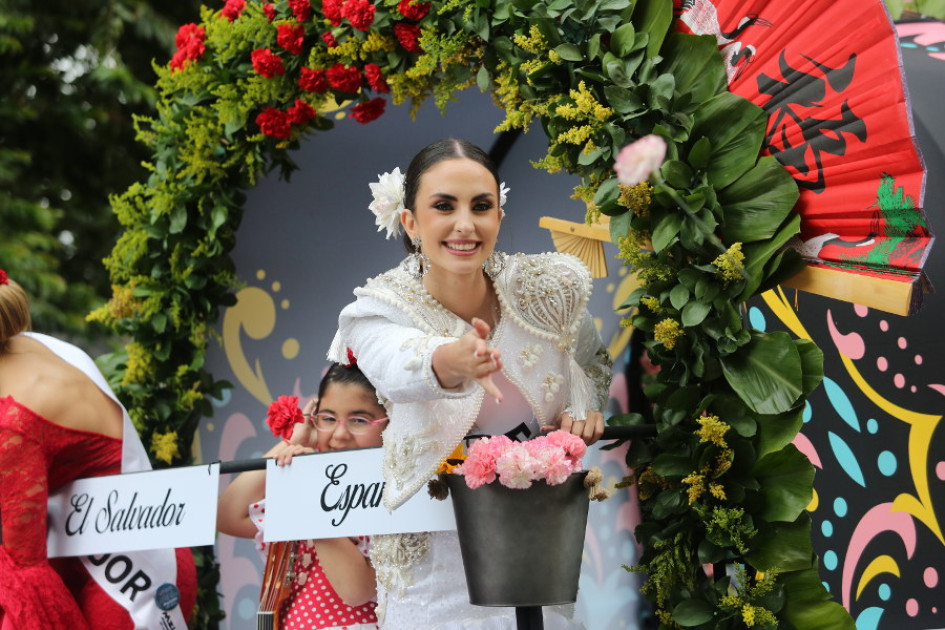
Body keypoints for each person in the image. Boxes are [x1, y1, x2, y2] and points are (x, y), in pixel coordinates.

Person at [328, 138, 613, 629]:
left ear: (499, 217)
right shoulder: (377, 307)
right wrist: (448, 360)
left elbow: (588, 365)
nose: (465, 224)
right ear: (410, 222)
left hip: (535, 545)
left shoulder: (548, 290)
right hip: (431, 562)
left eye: (481, 207)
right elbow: (393, 362)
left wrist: (582, 407)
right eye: (444, 206)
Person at [0, 271, 196, 630]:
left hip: (125, 580)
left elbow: (24, 571)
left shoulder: (13, 422)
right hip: (110, 544)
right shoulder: (29, 344)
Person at [217, 362, 386, 630]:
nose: (340, 434)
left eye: (359, 420)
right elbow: (228, 514)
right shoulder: (300, 492)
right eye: (328, 418)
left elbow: (356, 591)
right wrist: (294, 442)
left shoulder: (388, 499)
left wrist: (310, 489)